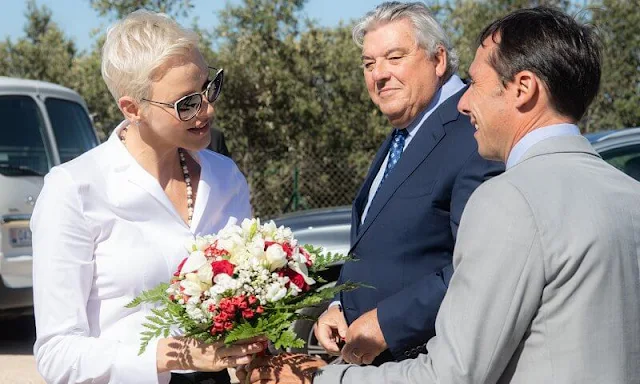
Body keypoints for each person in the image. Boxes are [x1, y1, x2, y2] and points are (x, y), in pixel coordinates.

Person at [239, 5, 640, 384]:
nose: (464, 100)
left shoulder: (508, 198)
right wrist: (338, 306)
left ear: (523, 88)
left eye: (477, 84)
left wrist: (318, 377)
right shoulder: (629, 193)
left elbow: (453, 373)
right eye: (368, 63)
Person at [31, 10, 265, 384]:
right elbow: (57, 353)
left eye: (210, 87)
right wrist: (172, 355)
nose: (208, 109)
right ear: (132, 108)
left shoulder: (225, 178)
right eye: (186, 103)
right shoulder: (74, 189)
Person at [314, 1, 503, 366]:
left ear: (438, 60)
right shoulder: (405, 131)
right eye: (369, 64)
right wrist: (340, 304)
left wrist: (388, 323)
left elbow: (481, 267)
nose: (378, 75)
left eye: (394, 57)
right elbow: (377, 248)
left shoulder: (474, 135)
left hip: (430, 361)